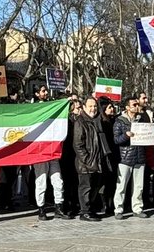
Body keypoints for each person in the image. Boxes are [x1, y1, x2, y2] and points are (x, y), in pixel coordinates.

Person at [30, 85, 70, 221]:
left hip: (52, 150)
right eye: (42, 91)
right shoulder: (33, 108)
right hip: (40, 151)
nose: (46, 93)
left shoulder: (53, 106)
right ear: (36, 94)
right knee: (41, 182)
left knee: (58, 180)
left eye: (46, 91)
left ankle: (59, 207)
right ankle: (41, 209)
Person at [112, 97, 149, 220]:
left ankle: (137, 208)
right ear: (127, 107)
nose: (137, 106)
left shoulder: (142, 119)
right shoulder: (120, 121)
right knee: (121, 185)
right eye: (134, 104)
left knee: (139, 185)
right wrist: (126, 136)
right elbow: (116, 140)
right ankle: (118, 209)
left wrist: (152, 135)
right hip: (125, 157)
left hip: (139, 156)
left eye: (137, 104)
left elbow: (147, 136)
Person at [73, 96, 109, 221]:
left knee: (95, 186)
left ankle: (91, 209)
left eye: (94, 106)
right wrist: (88, 160)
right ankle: (84, 211)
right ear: (84, 107)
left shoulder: (98, 120)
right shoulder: (80, 122)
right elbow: (78, 145)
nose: (93, 109)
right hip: (86, 163)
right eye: (90, 106)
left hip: (98, 160)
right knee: (85, 187)